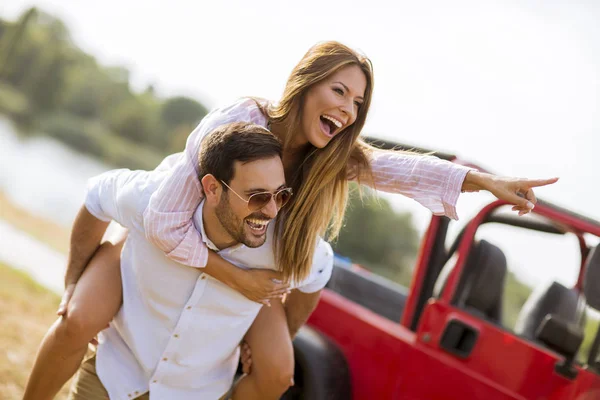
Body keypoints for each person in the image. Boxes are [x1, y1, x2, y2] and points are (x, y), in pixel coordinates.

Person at [24, 40, 558, 400]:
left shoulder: (328, 164)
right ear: (307, 84)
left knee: (277, 369)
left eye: (358, 103)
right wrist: (236, 278)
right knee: (81, 317)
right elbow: (163, 221)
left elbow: (397, 168)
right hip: (166, 222)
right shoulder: (240, 121)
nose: (348, 110)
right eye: (339, 92)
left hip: (250, 254)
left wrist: (484, 182)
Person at [65, 122, 332, 399]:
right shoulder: (156, 206)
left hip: (199, 392)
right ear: (213, 189)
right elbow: (97, 194)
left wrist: (279, 335)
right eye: (258, 197)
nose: (273, 210)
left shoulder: (280, 241)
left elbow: (321, 268)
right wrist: (72, 281)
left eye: (281, 195)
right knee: (71, 323)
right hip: (116, 378)